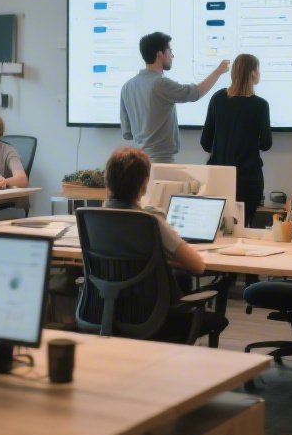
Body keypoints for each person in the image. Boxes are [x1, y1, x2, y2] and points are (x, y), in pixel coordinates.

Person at [120, 31, 230, 163]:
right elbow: (195, 93)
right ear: (160, 54)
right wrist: (218, 72)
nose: (171, 56)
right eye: (169, 51)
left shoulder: (127, 86)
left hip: (139, 160)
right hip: (160, 160)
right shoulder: (160, 83)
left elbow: (127, 132)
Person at [102, 147, 205, 275]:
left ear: (107, 180)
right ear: (144, 184)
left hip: (103, 293)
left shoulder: (95, 220)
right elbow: (198, 266)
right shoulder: (150, 222)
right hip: (146, 294)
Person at [200, 53, 272, 225]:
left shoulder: (217, 98)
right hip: (248, 178)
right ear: (253, 73)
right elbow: (266, 144)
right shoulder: (260, 105)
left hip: (218, 176)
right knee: (243, 227)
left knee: (217, 226)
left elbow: (205, 142)